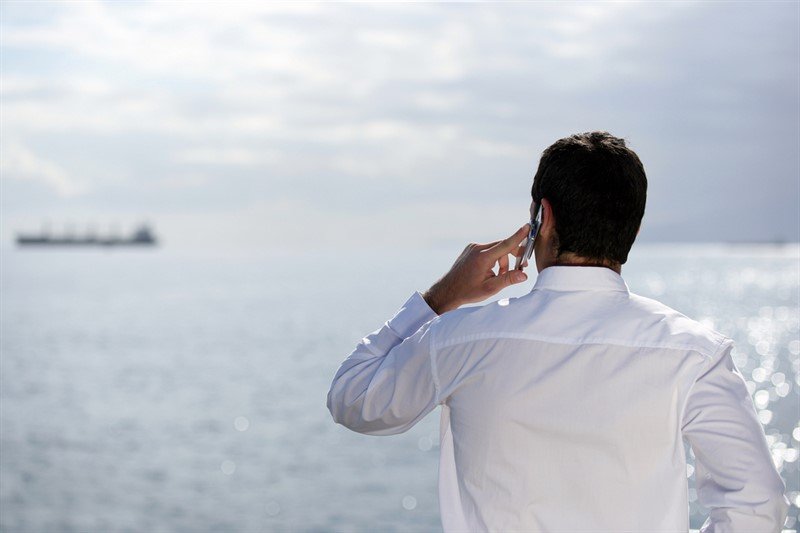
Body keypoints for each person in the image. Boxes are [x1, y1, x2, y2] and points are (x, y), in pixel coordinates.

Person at [327, 131, 789, 532]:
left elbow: (352, 398)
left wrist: (441, 297)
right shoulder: (695, 354)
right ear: (632, 228)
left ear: (541, 218)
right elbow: (757, 507)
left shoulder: (460, 338)